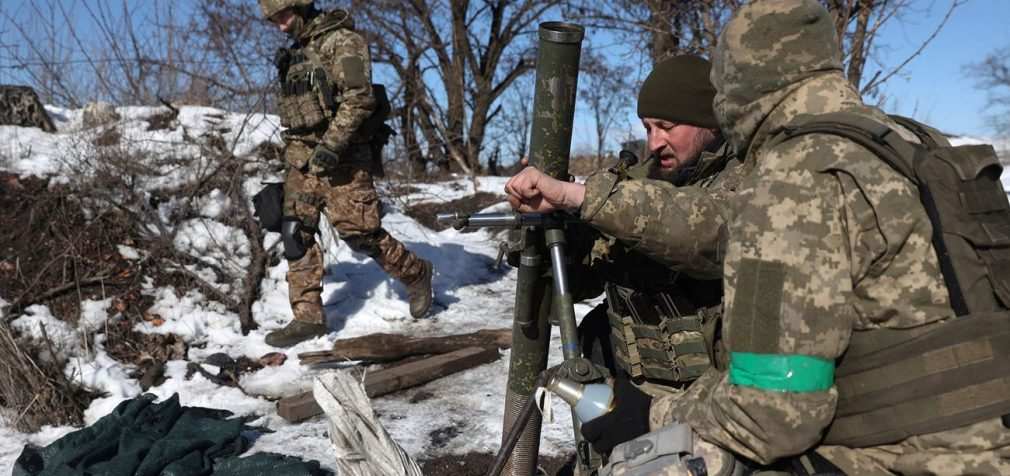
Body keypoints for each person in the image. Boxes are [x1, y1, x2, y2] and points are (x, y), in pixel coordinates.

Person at [508, 0, 1010, 474]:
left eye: (669, 122)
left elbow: (772, 412)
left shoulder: (794, 178)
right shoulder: (918, 146)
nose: (655, 138)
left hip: (889, 455)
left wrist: (651, 417)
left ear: (733, 90)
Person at [572, 54, 744, 455]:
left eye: (666, 126)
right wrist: (571, 241)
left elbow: (699, 233)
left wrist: (594, 201)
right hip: (630, 396)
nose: (654, 142)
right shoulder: (636, 183)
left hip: (711, 410)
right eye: (648, 127)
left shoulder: (748, 179)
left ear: (710, 121)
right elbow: (588, 284)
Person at [259, 0, 433, 348]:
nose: (280, 26)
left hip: (344, 158)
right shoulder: (296, 52)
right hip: (302, 159)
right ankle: (308, 317)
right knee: (296, 232)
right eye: (274, 20)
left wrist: (330, 147)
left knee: (361, 234)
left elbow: (359, 100)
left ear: (302, 6)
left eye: (284, 16)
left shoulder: (342, 41)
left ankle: (416, 273)